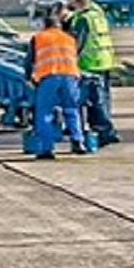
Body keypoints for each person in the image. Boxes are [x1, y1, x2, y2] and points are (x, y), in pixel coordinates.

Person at [23, 10, 87, 159]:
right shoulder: (69, 38)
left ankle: (47, 148)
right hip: (70, 76)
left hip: (49, 77)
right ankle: (78, 141)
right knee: (71, 109)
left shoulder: (39, 38)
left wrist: (28, 78)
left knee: (45, 112)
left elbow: (29, 60)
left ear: (45, 26)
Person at [65, 0, 119, 145]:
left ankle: (103, 132)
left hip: (90, 63)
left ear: (76, 1)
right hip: (105, 60)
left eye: (71, 2)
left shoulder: (83, 19)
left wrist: (70, 61)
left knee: (95, 101)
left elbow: (77, 43)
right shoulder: (98, 14)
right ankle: (108, 130)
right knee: (104, 99)